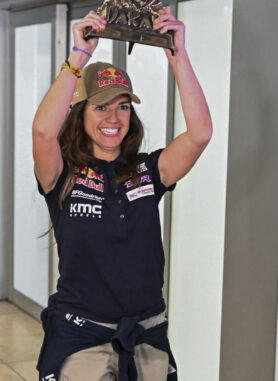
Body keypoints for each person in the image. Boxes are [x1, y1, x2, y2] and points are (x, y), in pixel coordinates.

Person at [33, 9, 212, 381]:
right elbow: (43, 134)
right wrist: (78, 56)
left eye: (123, 106)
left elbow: (200, 135)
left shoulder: (148, 170)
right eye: (100, 107)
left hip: (146, 334)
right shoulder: (62, 174)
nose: (113, 118)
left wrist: (179, 56)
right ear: (81, 114)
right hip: (82, 336)